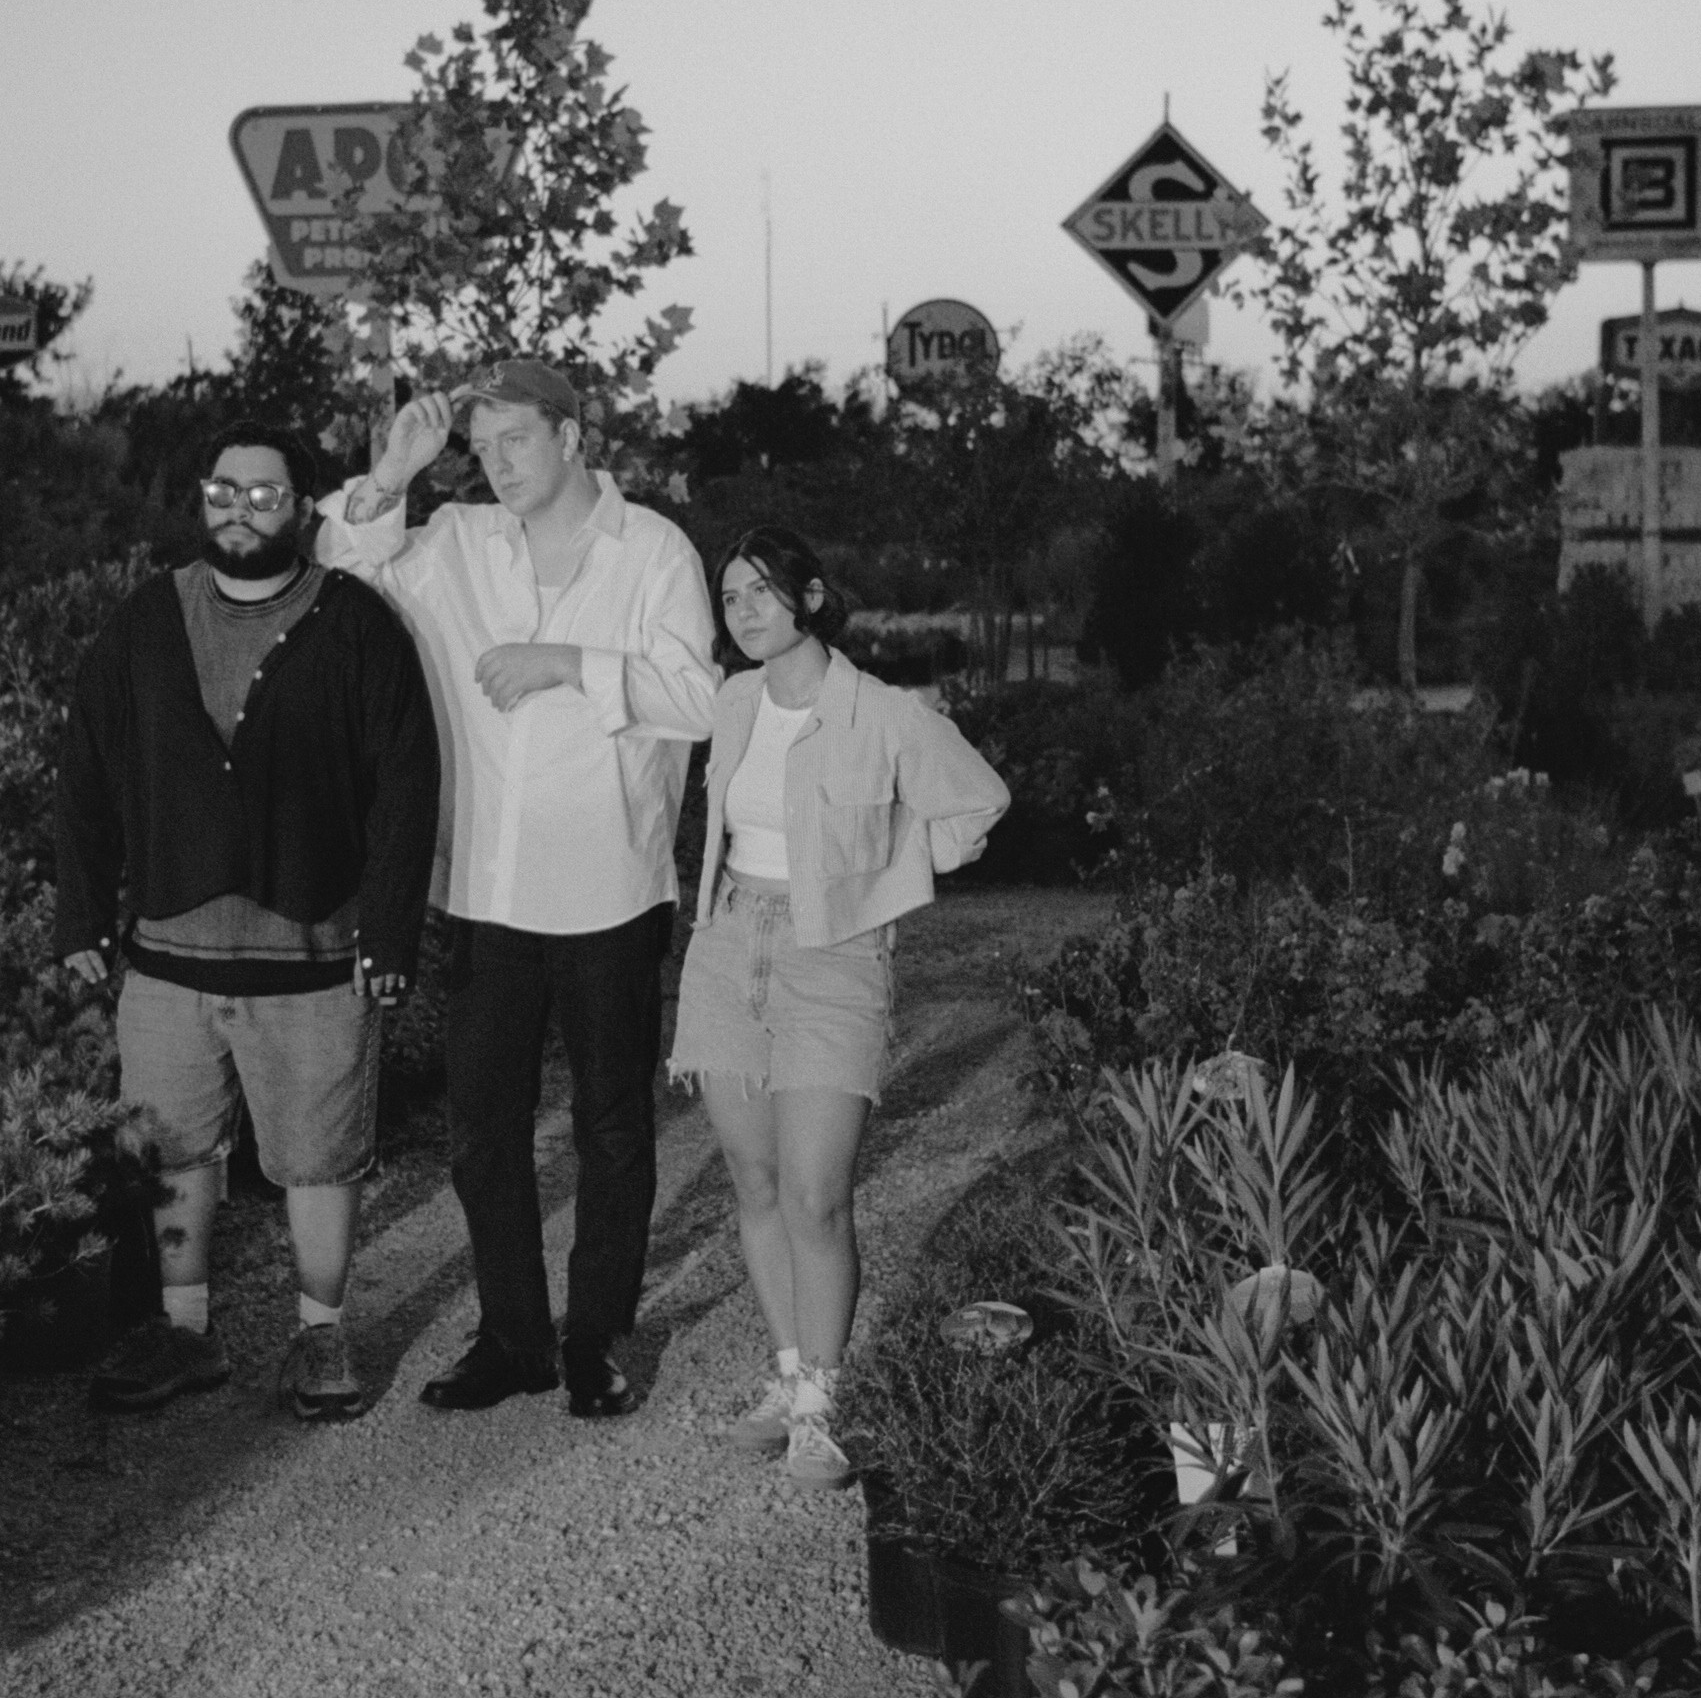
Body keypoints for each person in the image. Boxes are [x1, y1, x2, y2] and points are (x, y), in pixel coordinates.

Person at [316, 359, 719, 1417]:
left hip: (611, 890)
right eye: (480, 447)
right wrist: (392, 469)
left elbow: (697, 698)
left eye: (515, 443)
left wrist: (566, 660)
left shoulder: (655, 550)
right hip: (487, 889)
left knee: (612, 1127)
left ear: (572, 436)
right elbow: (341, 558)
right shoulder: (454, 540)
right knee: (481, 1132)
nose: (493, 466)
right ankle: (512, 1337)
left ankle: (594, 1336)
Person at [56, 418, 439, 1422]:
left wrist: (390, 931)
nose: (238, 510)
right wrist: (81, 912)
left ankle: (319, 1330)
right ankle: (184, 1333)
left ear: (301, 509)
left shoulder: (353, 621)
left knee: (319, 1153)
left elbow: (406, 780)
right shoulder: (149, 617)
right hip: (170, 957)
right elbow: (85, 766)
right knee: (171, 1150)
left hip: (312, 954)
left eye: (263, 494)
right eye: (222, 491)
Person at [673, 526, 1008, 1486]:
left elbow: (977, 802)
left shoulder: (881, 712)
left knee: (818, 1198)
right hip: (728, 945)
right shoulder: (735, 700)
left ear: (810, 598)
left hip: (835, 960)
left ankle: (824, 1402)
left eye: (759, 592)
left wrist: (891, 870)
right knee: (756, 1183)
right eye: (728, 595)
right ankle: (786, 1378)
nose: (740, 611)